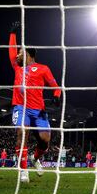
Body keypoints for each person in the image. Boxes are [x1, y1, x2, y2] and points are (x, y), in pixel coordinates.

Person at [9, 21, 62, 183]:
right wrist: (12, 34)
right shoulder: (17, 67)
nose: (17, 55)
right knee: (21, 133)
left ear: (28, 54)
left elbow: (56, 86)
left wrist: (57, 95)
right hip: (20, 107)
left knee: (45, 141)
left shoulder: (43, 69)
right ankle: (23, 171)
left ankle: (35, 157)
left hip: (39, 110)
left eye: (20, 53)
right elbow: (11, 52)